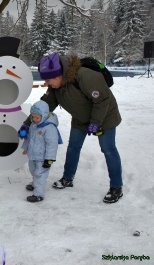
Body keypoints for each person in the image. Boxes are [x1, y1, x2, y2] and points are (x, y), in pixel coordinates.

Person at [19, 52, 123, 203]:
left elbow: (102, 100)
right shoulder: (56, 87)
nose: (47, 83)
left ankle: (116, 187)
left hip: (105, 115)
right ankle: (68, 178)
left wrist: (96, 122)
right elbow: (44, 107)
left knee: (108, 149)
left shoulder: (86, 76)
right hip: (81, 118)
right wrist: (27, 124)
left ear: (59, 74)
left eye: (49, 79)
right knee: (73, 147)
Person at [21, 100, 61, 202]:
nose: (34, 119)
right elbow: (29, 138)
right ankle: (35, 184)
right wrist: (26, 148)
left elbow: (52, 144)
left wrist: (50, 159)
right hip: (33, 156)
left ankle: (39, 194)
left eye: (37, 118)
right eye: (33, 117)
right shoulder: (34, 126)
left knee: (40, 174)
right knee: (33, 171)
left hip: (43, 158)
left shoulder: (49, 128)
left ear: (44, 115)